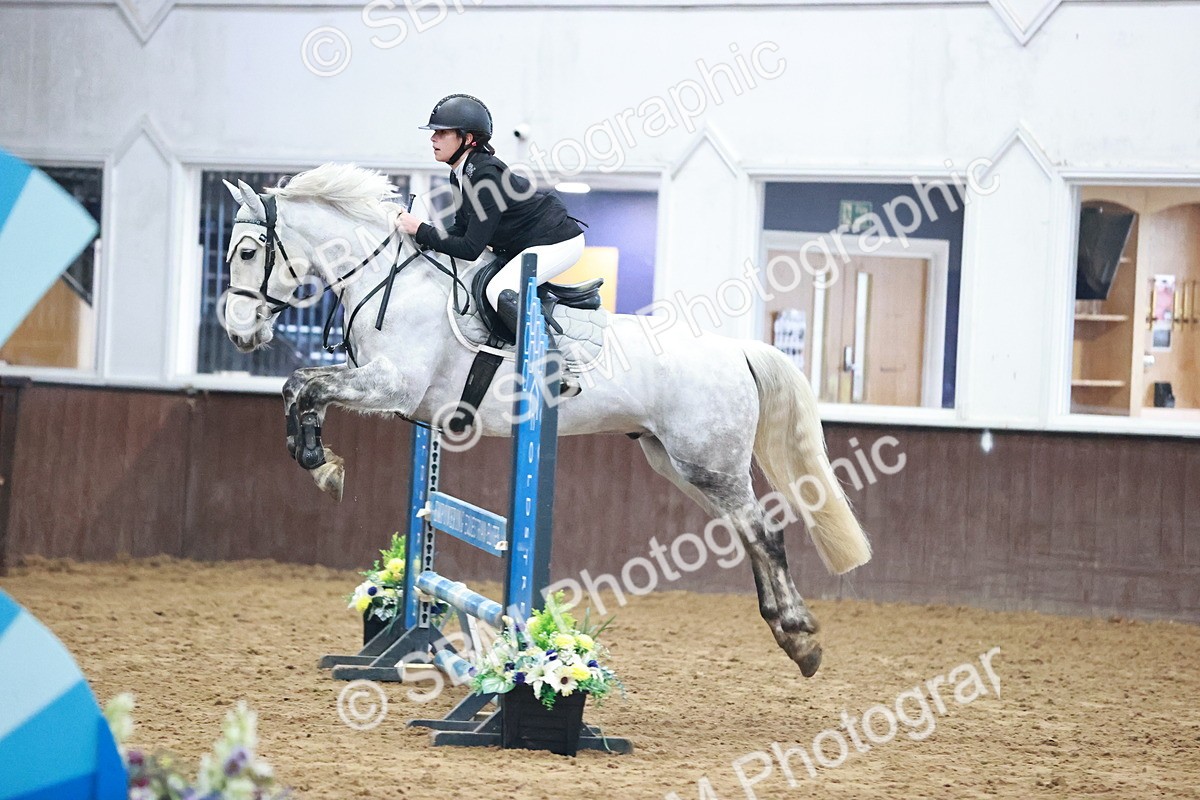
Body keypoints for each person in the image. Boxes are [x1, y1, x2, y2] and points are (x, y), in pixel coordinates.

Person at [394, 93, 586, 343]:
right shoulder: (460, 174)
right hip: (527, 243)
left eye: (442, 133)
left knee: (500, 290)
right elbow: (461, 229)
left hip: (557, 242)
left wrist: (421, 230)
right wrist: (422, 236)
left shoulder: (485, 175)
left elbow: (471, 248)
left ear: (468, 139)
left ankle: (552, 366)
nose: (433, 138)